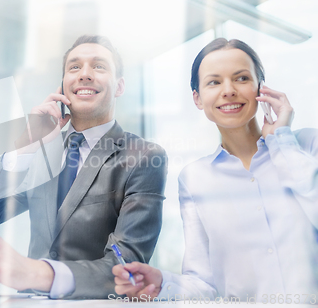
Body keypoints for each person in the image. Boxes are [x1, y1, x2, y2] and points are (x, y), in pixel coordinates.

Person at [0, 35, 168, 299]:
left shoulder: (144, 157)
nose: (84, 74)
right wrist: (25, 146)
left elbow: (126, 265)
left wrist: (37, 273)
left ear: (119, 86)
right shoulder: (40, 152)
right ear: (63, 85)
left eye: (99, 66)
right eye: (74, 67)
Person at [113, 38, 318, 302]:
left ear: (261, 88)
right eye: (214, 82)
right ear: (197, 98)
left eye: (241, 78)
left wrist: (282, 141)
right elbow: (204, 284)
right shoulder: (194, 178)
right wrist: (162, 283)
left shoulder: (307, 146)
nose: (229, 90)